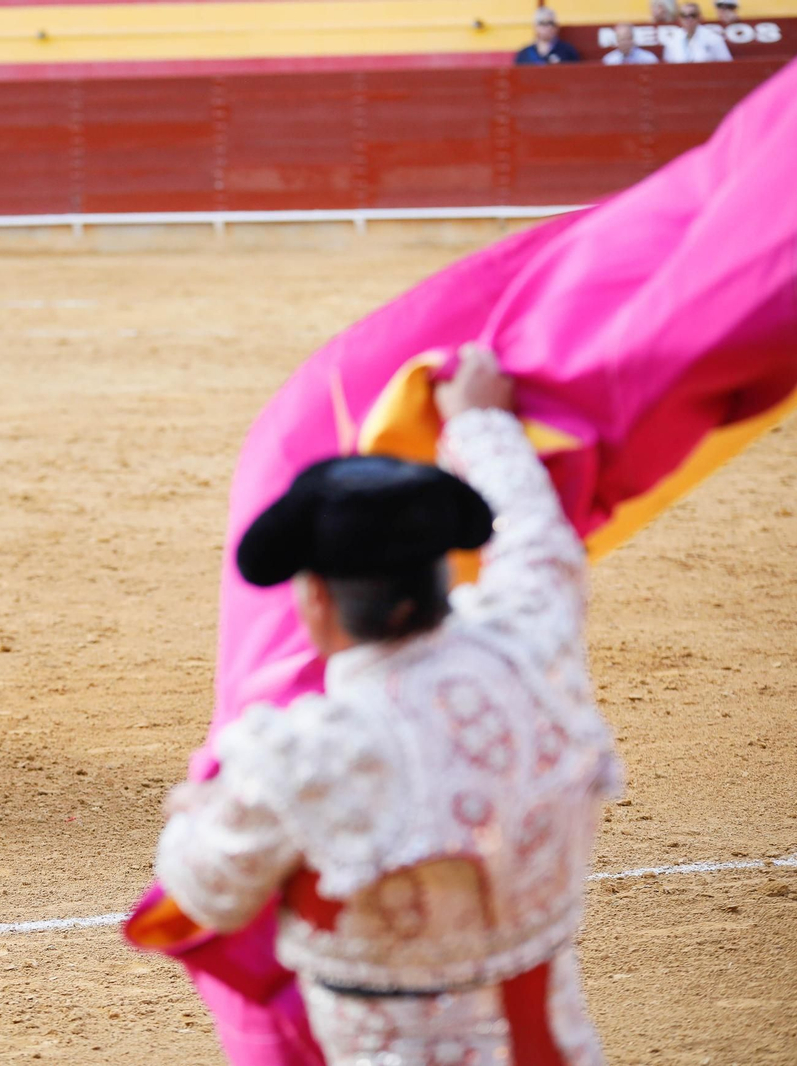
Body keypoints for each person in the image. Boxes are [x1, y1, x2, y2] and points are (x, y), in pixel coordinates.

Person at [154, 347, 620, 1065]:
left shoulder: (307, 754)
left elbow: (208, 891)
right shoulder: (528, 642)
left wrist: (194, 810)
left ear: (315, 598)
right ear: (440, 573)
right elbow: (536, 539)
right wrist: (482, 423)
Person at [664, 3, 733, 61]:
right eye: (684, 16)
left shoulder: (713, 38)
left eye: (692, 15)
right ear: (679, 18)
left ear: (699, 17)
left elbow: (726, 63)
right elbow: (668, 65)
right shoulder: (673, 39)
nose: (688, 19)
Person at [515, 6, 581, 64]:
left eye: (551, 23)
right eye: (542, 23)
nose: (548, 27)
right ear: (535, 27)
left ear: (556, 27)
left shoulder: (567, 52)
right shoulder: (524, 54)